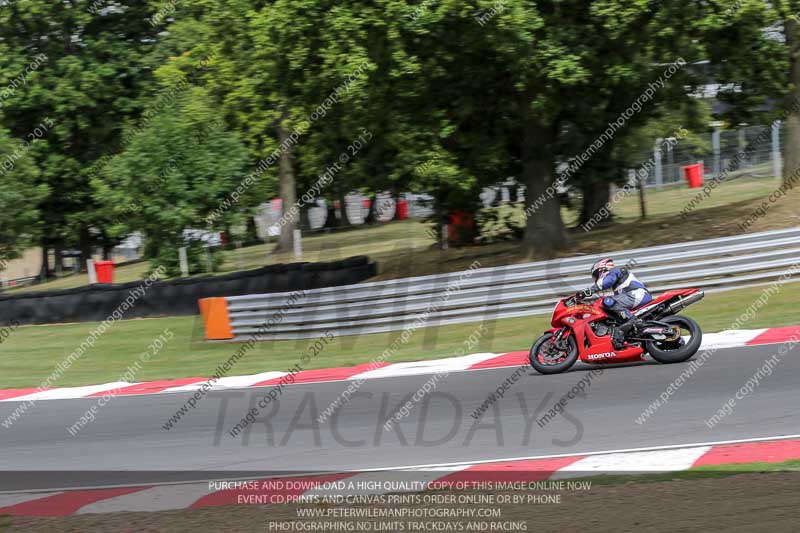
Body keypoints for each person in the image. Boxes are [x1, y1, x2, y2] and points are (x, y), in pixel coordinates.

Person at [586, 258, 652, 349]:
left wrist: (588, 291)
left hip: (636, 295)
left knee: (606, 301)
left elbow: (606, 282)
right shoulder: (618, 284)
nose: (597, 278)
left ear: (601, 270)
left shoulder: (614, 271)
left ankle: (632, 320)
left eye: (596, 275)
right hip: (634, 296)